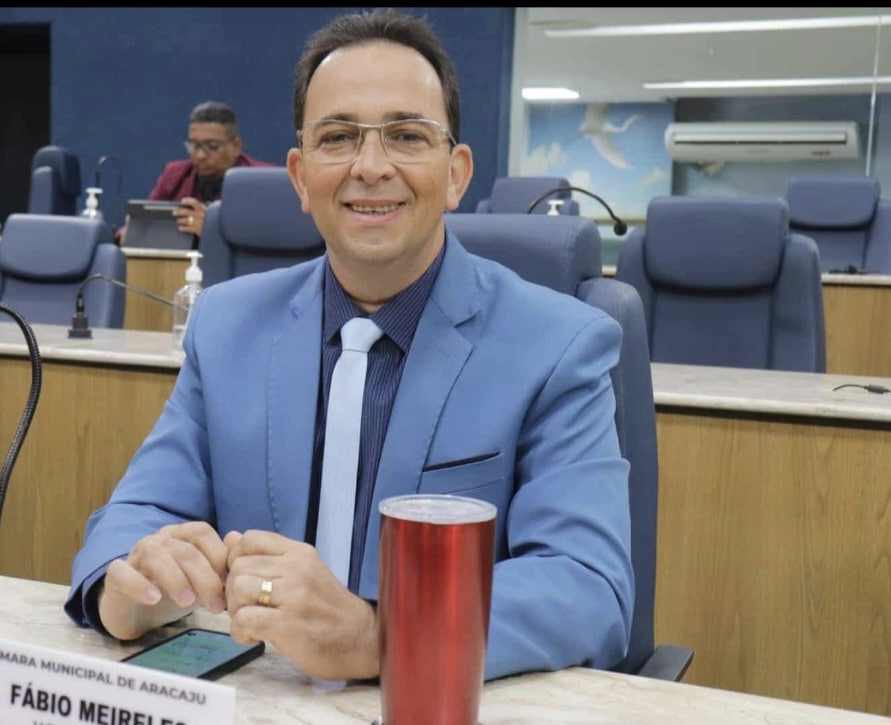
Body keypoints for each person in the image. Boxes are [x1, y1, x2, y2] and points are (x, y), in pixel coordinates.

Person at [66, 8, 633, 683]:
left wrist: (376, 635)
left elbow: (587, 584)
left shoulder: (558, 345)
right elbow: (136, 514)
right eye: (338, 138)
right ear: (301, 177)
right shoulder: (226, 324)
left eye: (406, 135)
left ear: (456, 174)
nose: (370, 166)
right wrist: (127, 592)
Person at [116, 100, 272, 242]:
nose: (200, 156)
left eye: (212, 146)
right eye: (194, 146)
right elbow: (141, 222)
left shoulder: (263, 182)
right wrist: (130, 234)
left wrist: (213, 231)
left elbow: (271, 240)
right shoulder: (175, 175)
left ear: (236, 147)